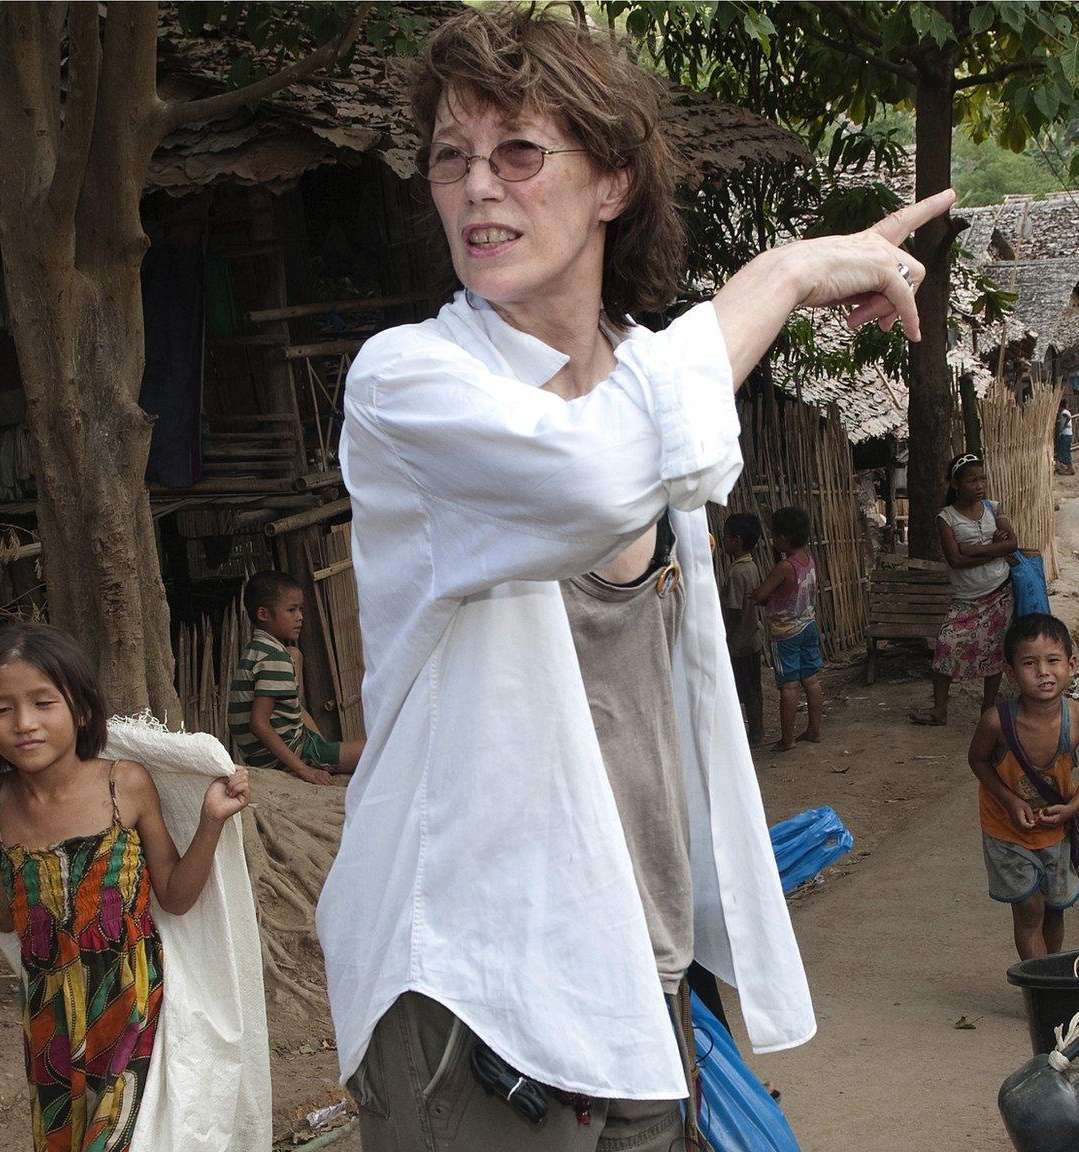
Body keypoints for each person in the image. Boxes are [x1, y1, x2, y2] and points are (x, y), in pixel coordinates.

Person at [322, 10, 957, 1147]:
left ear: (610, 179)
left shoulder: (655, 388)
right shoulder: (409, 384)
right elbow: (589, 478)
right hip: (477, 988)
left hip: (638, 969)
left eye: (519, 152)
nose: (478, 188)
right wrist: (788, 270)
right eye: (450, 159)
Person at [0, 623, 249, 1152]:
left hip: (133, 1005)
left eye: (43, 702)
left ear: (82, 709)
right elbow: (6, 913)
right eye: (2, 710)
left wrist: (210, 822)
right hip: (51, 1019)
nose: (24, 723)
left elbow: (176, 895)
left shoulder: (125, 784)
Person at [969, 614, 1079, 961]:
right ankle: (1039, 984)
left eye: (1053, 661)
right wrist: (1009, 799)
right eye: (1030, 663)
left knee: (1054, 908)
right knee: (1029, 909)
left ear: (1072, 665)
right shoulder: (996, 722)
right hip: (1007, 831)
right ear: (1011, 671)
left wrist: (1073, 806)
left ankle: (1047, 976)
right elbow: (978, 761)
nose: (1043, 672)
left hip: (1056, 831)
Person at [910, 452, 1016, 727]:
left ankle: (988, 708)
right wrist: (994, 550)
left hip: (999, 591)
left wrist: (975, 550)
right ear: (956, 484)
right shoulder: (946, 518)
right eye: (972, 480)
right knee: (946, 643)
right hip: (966, 599)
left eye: (982, 479)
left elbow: (1012, 544)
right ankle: (939, 709)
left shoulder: (994, 508)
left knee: (995, 652)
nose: (980, 485)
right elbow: (956, 561)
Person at [229, 571, 363, 786]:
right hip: (289, 753)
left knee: (295, 655)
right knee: (376, 752)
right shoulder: (274, 659)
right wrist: (304, 770)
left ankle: (322, 753)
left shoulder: (257, 649)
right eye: (291, 610)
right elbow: (258, 723)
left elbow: (294, 708)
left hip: (276, 751)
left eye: (300, 609)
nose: (300, 616)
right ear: (263, 614)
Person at [755, 505, 825, 751]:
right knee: (811, 680)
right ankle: (814, 730)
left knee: (789, 685)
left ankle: (787, 739)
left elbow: (761, 594)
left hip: (786, 633)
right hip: (808, 625)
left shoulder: (785, 567)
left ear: (783, 539)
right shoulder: (808, 560)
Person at [721, 512, 766, 745]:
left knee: (742, 690)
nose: (723, 540)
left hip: (739, 641)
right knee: (753, 687)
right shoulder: (751, 566)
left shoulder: (737, 572)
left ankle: (752, 733)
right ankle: (757, 730)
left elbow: (735, 609)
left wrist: (726, 633)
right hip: (753, 637)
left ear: (736, 540)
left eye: (726, 536)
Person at [1056, 400, 1075, 475]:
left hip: (1066, 435)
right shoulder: (1066, 411)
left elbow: (1068, 417)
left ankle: (1070, 469)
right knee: (1066, 452)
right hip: (1068, 434)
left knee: (1065, 452)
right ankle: (1069, 468)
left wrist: (1064, 425)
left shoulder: (1064, 412)